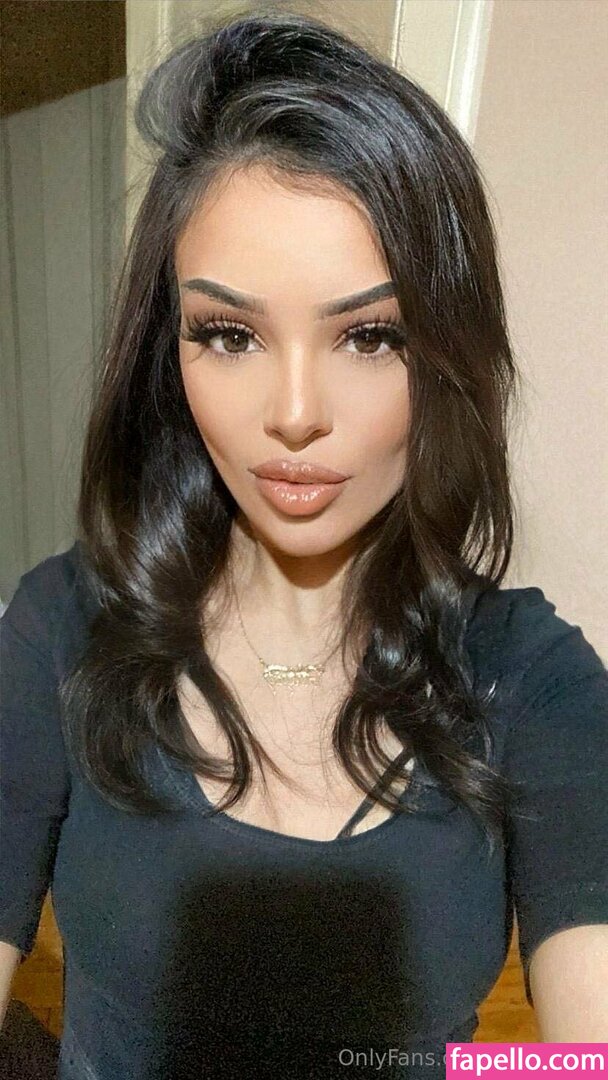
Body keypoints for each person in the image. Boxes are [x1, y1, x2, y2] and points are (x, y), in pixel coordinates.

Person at [1, 8, 607, 1078]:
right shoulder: (61, 628)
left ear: (448, 353)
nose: (292, 414)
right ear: (169, 350)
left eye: (369, 336)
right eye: (228, 334)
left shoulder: (530, 678)